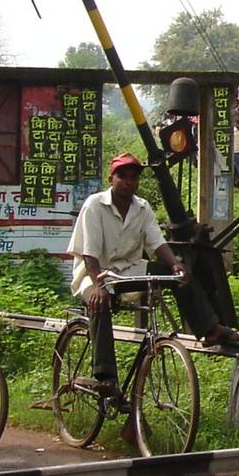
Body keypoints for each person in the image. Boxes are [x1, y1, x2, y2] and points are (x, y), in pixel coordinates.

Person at [67, 153, 187, 412]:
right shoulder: (94, 205)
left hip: (128, 271)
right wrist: (98, 285)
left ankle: (209, 327)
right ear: (112, 178)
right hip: (94, 272)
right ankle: (105, 376)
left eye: (133, 178)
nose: (128, 182)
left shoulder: (142, 207)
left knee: (179, 279)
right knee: (99, 301)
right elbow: (90, 252)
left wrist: (174, 265)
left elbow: (156, 242)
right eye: (123, 176)